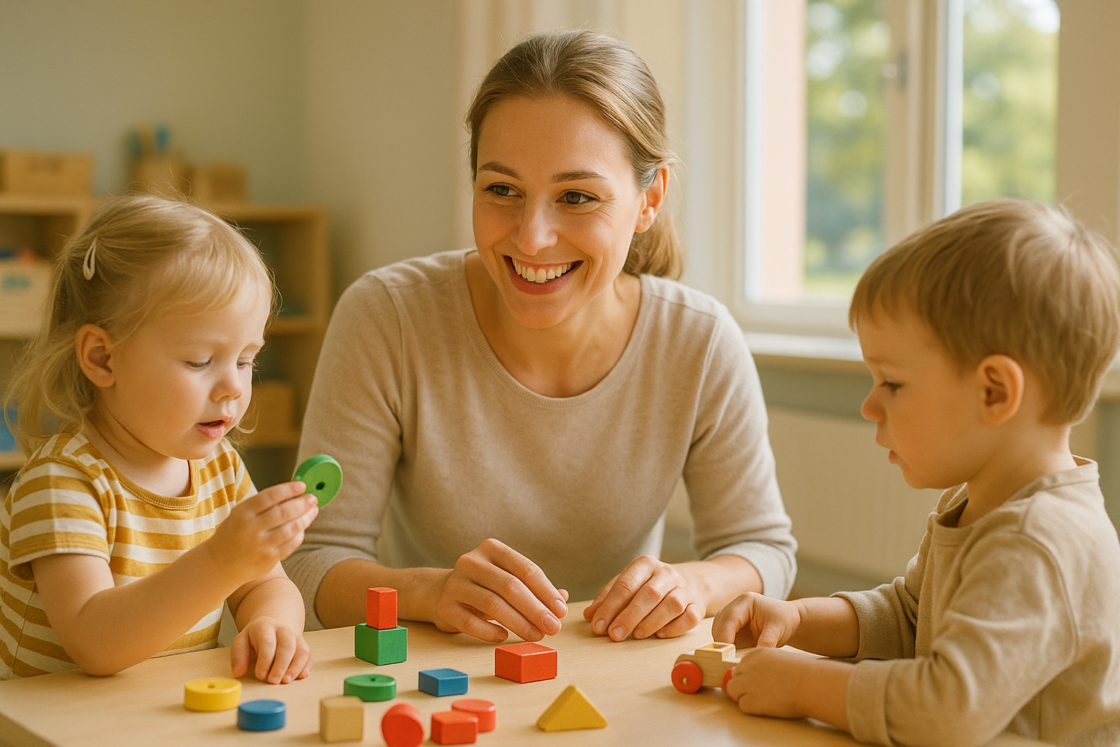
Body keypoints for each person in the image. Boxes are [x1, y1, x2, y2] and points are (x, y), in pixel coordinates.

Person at [284, 29, 797, 644]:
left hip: (617, 687)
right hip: (438, 686)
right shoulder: (386, 317)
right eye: (502, 190)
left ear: (648, 199)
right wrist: (429, 591)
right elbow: (311, 562)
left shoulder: (701, 341)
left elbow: (764, 550)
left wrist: (695, 584)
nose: (531, 239)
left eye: (576, 197)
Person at [712, 199, 1120, 746]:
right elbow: (911, 618)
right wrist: (801, 619)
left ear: (994, 392)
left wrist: (807, 685)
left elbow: (947, 710)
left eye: (892, 383)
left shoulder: (1038, 540)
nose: (869, 406)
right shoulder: (979, 501)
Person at [0, 195, 320, 682]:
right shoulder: (61, 483)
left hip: (157, 713)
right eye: (199, 361)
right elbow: (96, 643)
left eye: (245, 359)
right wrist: (221, 560)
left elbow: (266, 584)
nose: (234, 386)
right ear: (103, 359)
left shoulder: (221, 468)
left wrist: (272, 623)